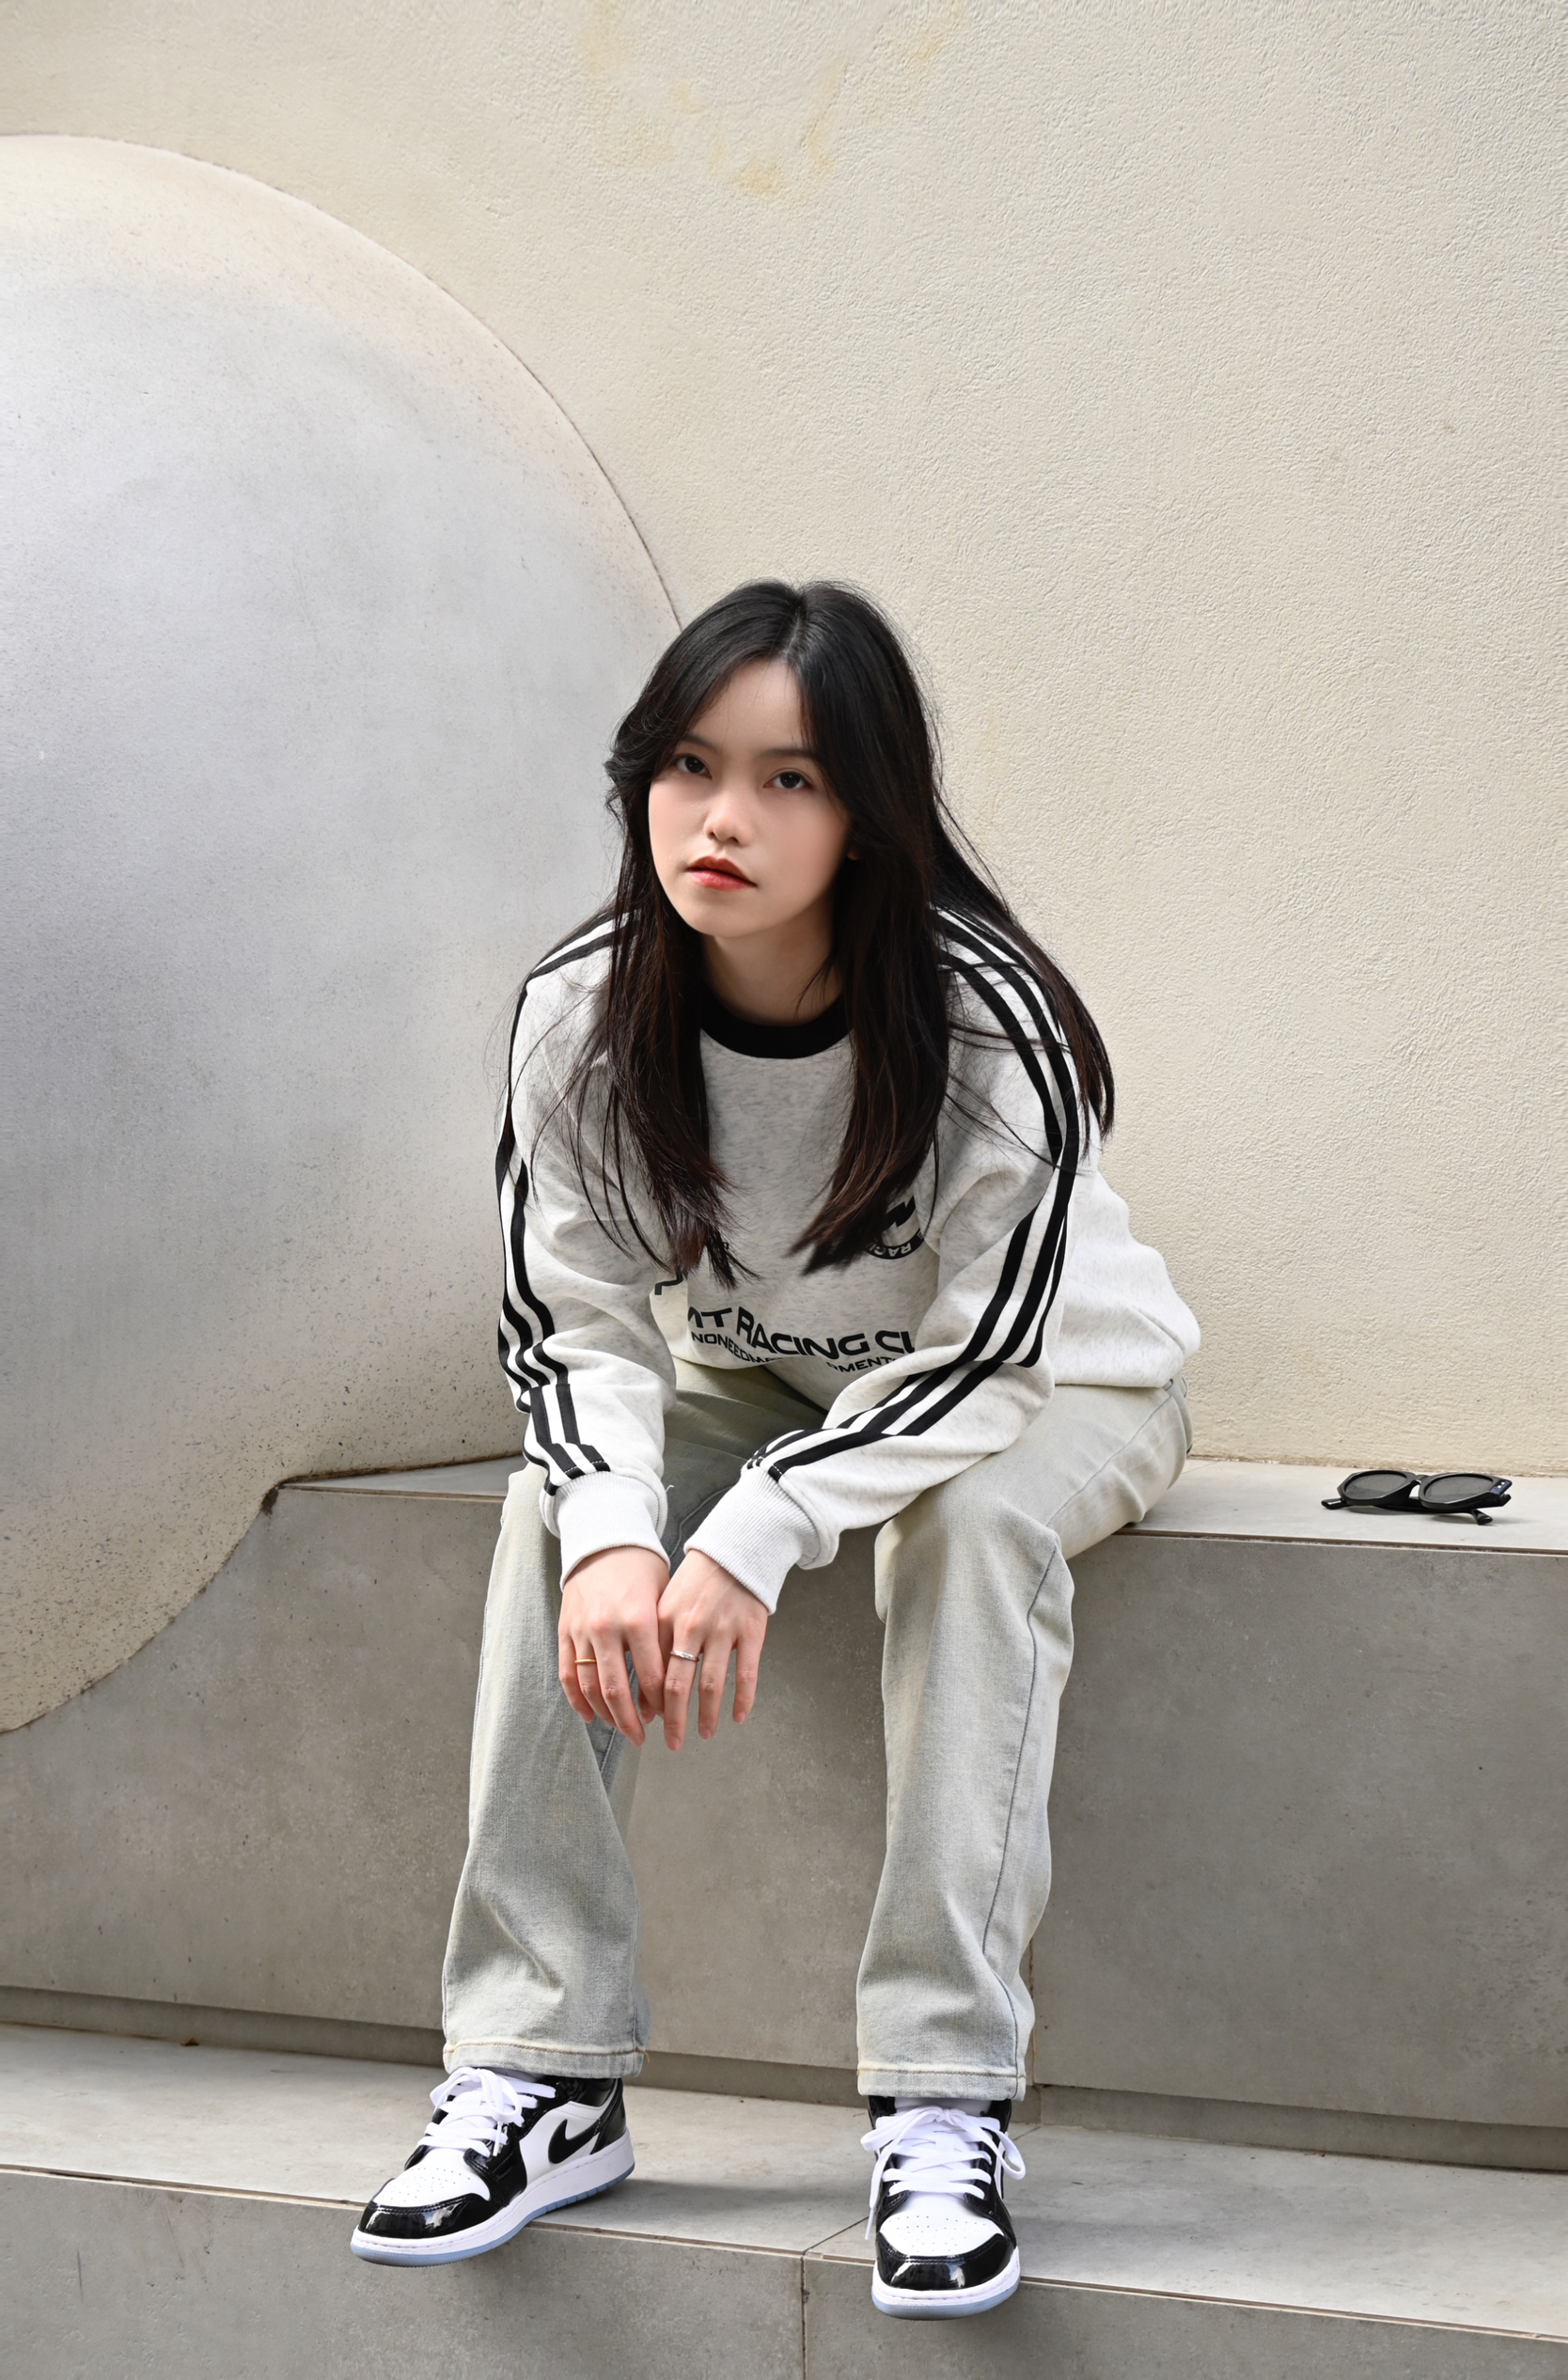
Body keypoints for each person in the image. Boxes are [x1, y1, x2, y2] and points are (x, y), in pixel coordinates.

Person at [351, 581, 1199, 2318]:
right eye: (688, 765)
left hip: (1061, 1384)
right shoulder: (584, 1012)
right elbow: (576, 1323)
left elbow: (990, 1356)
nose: (721, 819)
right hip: (766, 1381)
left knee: (965, 1533)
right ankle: (541, 2070)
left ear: (867, 813)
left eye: (787, 779)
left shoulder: (987, 1021)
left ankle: (943, 2101)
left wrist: (756, 1531)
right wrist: (620, 1532)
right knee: (555, 1514)